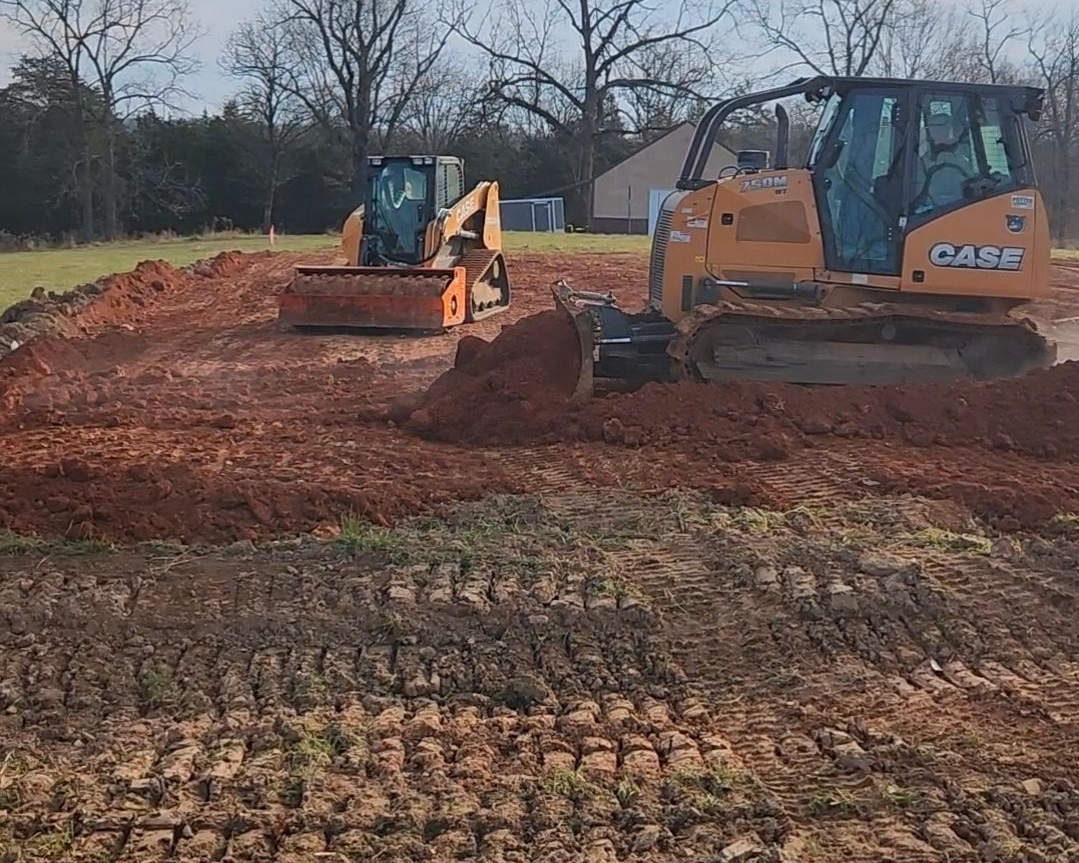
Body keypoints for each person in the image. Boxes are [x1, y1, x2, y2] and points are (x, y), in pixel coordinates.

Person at [915, 104, 976, 214]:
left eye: (944, 127)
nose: (940, 132)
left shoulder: (964, 161)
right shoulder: (919, 164)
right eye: (935, 128)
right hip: (927, 217)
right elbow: (916, 196)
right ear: (929, 131)